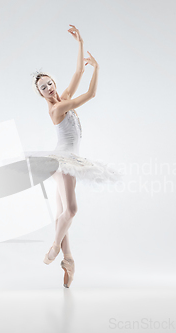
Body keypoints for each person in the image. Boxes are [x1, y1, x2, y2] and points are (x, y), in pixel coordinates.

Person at [30, 25, 122, 288]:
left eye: (49, 83)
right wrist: (99, 69)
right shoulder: (57, 108)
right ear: (40, 94)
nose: (48, 88)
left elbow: (79, 71)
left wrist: (81, 43)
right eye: (42, 87)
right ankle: (55, 247)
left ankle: (68, 260)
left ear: (54, 84)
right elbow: (91, 94)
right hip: (63, 160)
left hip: (70, 158)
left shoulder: (64, 96)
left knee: (61, 211)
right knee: (71, 210)